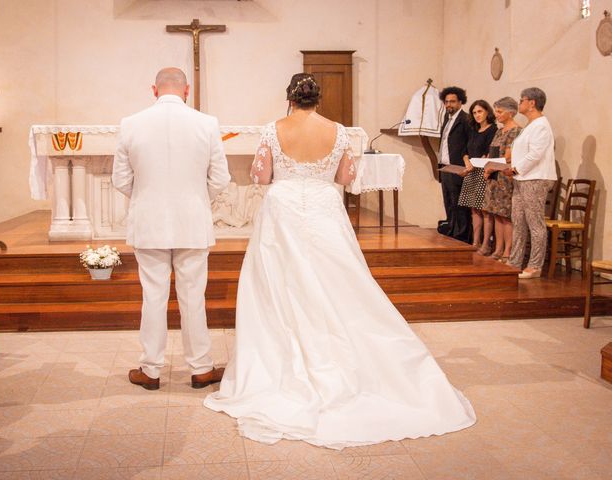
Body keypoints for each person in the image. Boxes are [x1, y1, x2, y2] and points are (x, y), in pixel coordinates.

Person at [204, 73, 476, 449]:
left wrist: (286, 172)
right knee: (339, 281)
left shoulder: (272, 129)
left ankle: (283, 361)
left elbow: (262, 176)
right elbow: (348, 177)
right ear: (318, 99)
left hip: (282, 209)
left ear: (290, 99)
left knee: (279, 283)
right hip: (323, 207)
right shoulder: (339, 131)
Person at [112, 67, 231, 390]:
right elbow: (220, 179)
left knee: (153, 296)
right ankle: (201, 368)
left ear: (154, 90)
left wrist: (147, 198)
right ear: (187, 90)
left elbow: (120, 179)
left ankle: (150, 370)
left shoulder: (131, 124)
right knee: (193, 296)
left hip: (149, 222)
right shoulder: (206, 124)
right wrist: (194, 199)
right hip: (192, 222)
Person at [504, 88, 557, 279]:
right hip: (523, 178)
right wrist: (509, 165)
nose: (520, 103)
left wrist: (516, 169)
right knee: (518, 221)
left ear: (532, 103)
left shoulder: (541, 125)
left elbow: (536, 154)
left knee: (535, 223)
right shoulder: (531, 125)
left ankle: (535, 266)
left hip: (536, 178)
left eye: (522, 100)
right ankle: (515, 261)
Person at [483, 97, 523, 263]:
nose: (496, 115)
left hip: (505, 177)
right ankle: (498, 248)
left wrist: (492, 166)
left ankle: (508, 251)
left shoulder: (516, 131)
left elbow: (509, 157)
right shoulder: (500, 131)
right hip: (493, 176)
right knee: (496, 214)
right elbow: (493, 152)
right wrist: (486, 164)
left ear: (511, 112)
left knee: (506, 216)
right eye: (496, 111)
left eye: (499, 111)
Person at [458, 100, 497, 253]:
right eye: (474, 113)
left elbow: (489, 153)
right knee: (474, 210)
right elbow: (465, 150)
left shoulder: (492, 130)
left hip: (484, 172)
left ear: (487, 112)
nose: (477, 115)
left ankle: (486, 244)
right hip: (471, 172)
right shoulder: (473, 130)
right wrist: (466, 161)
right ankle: (475, 241)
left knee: (485, 210)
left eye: (480, 111)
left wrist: (474, 164)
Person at [437, 86, 472, 243]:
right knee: (448, 201)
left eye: (452, 101)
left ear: (460, 102)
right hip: (445, 166)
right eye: (446, 102)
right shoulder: (447, 118)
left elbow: (469, 144)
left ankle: (461, 234)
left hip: (458, 167)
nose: (449, 105)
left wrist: (466, 163)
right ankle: (451, 229)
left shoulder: (465, 119)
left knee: (458, 202)